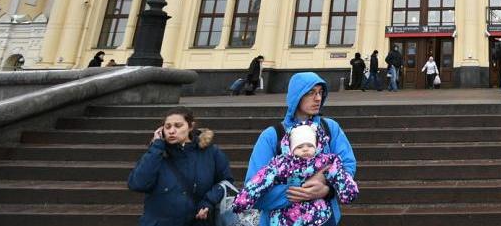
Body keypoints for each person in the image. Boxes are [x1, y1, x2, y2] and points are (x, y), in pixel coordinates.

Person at [246, 72, 357, 226]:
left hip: (325, 221)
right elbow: (252, 189)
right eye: (311, 93)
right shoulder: (272, 136)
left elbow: (348, 166)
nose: (318, 98)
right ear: (296, 96)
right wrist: (300, 191)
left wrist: (327, 187)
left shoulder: (330, 128)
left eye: (320, 92)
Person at [234, 124, 358, 226]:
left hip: (319, 217)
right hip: (286, 218)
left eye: (310, 145)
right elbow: (260, 180)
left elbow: (341, 172)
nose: (305, 149)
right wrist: (243, 199)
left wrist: (344, 190)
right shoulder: (281, 163)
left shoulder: (325, 160)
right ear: (291, 148)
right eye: (300, 146)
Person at [128, 105, 232, 226]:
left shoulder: (210, 152)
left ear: (190, 126)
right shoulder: (156, 154)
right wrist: (156, 146)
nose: (171, 131)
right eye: (167, 127)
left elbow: (225, 181)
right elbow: (138, 184)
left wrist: (209, 201)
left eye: (178, 126)